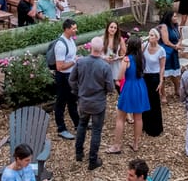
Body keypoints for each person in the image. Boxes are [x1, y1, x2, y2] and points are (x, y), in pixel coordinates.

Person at [70, 36, 113, 170]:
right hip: (98, 103)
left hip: (83, 102)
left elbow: (71, 80)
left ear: (90, 47)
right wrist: (104, 92)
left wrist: (78, 91)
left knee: (82, 125)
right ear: (101, 49)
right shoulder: (105, 66)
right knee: (96, 130)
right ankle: (93, 160)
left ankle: (79, 153)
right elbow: (110, 87)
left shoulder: (80, 62)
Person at [108, 35, 148, 154]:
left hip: (129, 87)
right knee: (138, 117)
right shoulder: (142, 58)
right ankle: (136, 144)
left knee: (120, 117)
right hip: (140, 86)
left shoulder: (127, 59)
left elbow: (120, 76)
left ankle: (116, 145)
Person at [53, 18, 80, 139]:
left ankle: (77, 123)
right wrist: (74, 61)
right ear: (67, 29)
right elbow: (60, 66)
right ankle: (61, 128)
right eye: (73, 28)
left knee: (72, 100)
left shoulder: (70, 40)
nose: (76, 30)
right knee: (61, 102)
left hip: (71, 75)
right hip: (63, 77)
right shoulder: (61, 45)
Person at [140, 28, 166, 137]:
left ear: (156, 37)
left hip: (155, 77)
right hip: (145, 76)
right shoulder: (144, 46)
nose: (149, 37)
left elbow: (162, 67)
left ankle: (155, 128)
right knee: (145, 100)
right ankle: (145, 125)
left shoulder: (161, 50)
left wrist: (161, 81)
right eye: (149, 34)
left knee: (154, 101)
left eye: (152, 35)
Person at [157, 10, 181, 100]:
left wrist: (179, 43)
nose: (176, 18)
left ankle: (177, 90)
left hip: (174, 51)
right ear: (169, 17)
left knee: (174, 73)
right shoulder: (164, 26)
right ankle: (163, 95)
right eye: (174, 16)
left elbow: (179, 36)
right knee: (163, 74)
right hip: (165, 52)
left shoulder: (175, 25)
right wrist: (175, 46)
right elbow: (166, 41)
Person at [103, 21, 126, 91]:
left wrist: (118, 57)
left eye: (115, 28)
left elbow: (125, 53)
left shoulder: (120, 39)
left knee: (120, 88)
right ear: (107, 28)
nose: (113, 29)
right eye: (111, 27)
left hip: (116, 66)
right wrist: (105, 58)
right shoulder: (102, 39)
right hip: (105, 66)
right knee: (104, 89)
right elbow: (97, 54)